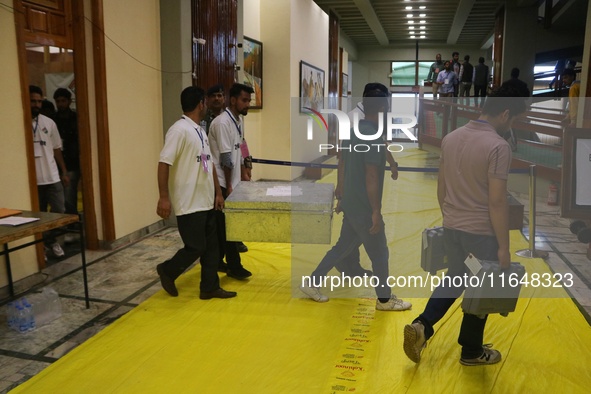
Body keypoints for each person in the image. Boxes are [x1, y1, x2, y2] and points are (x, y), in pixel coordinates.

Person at [403, 85, 528, 366]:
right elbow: (497, 202)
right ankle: (471, 351)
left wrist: (451, 218)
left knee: (458, 277)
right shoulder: (498, 146)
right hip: (480, 235)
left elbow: (441, 186)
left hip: (453, 228)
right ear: (506, 114)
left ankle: (422, 326)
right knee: (482, 285)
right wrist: (504, 248)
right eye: (516, 120)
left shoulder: (451, 138)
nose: (513, 126)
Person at [300, 90, 412, 312]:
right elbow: (371, 175)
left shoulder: (355, 131)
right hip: (362, 206)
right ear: (383, 107)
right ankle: (384, 299)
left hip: (351, 202)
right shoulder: (369, 135)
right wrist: (375, 211)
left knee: (342, 247)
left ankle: (312, 283)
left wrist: (392, 163)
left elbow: (345, 162)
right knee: (380, 252)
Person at [155, 86, 236, 300]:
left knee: (212, 248)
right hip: (189, 202)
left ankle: (209, 287)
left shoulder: (200, 130)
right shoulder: (179, 130)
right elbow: (164, 163)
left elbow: (208, 165)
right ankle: (168, 270)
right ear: (201, 103)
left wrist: (218, 193)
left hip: (207, 199)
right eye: (206, 101)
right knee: (196, 247)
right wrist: (164, 197)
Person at [340, 82, 400, 278]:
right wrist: (341, 187)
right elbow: (343, 156)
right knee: (360, 226)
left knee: (352, 228)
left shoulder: (372, 118)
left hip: (362, 181)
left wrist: (391, 162)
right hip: (357, 182)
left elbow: (380, 142)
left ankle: (345, 263)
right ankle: (348, 264)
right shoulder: (353, 119)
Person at [209, 83, 254, 280]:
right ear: (233, 100)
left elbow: (242, 144)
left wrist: (246, 166)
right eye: (245, 100)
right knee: (228, 227)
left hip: (232, 182)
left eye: (249, 101)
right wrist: (227, 188)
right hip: (221, 182)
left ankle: (218, 262)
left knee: (224, 227)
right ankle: (234, 266)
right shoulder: (221, 123)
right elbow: (225, 160)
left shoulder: (237, 120)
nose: (248, 104)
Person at [30, 85, 69, 258]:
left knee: (59, 211)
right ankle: (42, 247)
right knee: (38, 217)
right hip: (34, 182)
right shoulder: (20, 122)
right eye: (33, 101)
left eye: (39, 101)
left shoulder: (48, 122)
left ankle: (51, 241)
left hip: (52, 177)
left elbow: (57, 149)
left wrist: (64, 171)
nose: (37, 104)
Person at [51, 88, 80, 218]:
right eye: (58, 101)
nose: (61, 104)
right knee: (57, 196)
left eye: (63, 101)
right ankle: (61, 223)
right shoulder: (53, 120)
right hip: (56, 163)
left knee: (69, 194)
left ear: (69, 101)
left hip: (72, 162)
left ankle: (72, 221)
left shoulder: (76, 118)